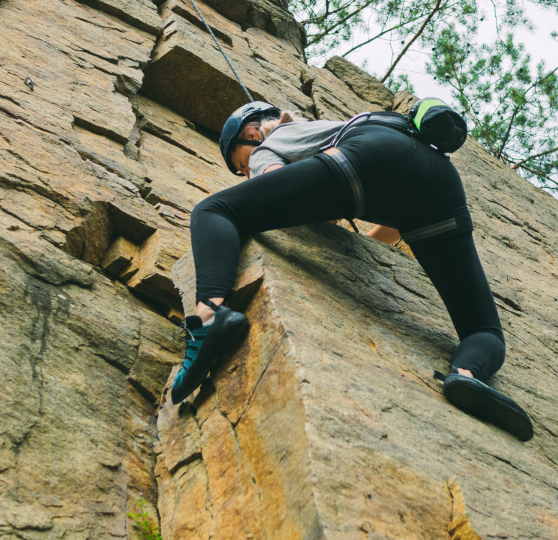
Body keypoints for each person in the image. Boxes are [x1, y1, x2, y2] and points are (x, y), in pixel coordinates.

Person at [168, 101, 533, 441]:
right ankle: (466, 375)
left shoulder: (269, 144)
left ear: (250, 134)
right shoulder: (323, 129)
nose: (246, 173)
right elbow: (393, 225)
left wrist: (264, 177)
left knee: (213, 211)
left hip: (366, 160)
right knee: (484, 330)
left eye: (242, 165)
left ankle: (209, 316)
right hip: (438, 181)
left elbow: (278, 188)